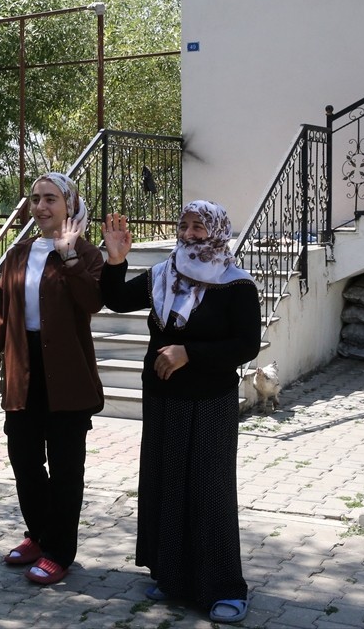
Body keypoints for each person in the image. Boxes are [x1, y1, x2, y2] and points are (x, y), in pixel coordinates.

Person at [100, 201, 260, 625]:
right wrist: (116, 260)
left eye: (199, 227)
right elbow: (115, 300)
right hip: (162, 399)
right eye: (184, 226)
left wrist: (190, 352)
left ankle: (224, 587)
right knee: (166, 485)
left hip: (209, 402)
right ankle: (172, 576)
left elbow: (246, 346)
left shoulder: (235, 284)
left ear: (217, 232)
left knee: (208, 492)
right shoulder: (161, 274)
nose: (189, 234)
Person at [0, 172, 105, 586]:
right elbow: (0, 309)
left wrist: (68, 257)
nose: (42, 207)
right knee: (24, 459)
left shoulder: (87, 254)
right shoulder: (19, 253)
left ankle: (59, 551)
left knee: (66, 467)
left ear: (69, 204)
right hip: (23, 368)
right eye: (36, 199)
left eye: (51, 199)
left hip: (67, 372)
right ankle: (38, 535)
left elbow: (93, 302)